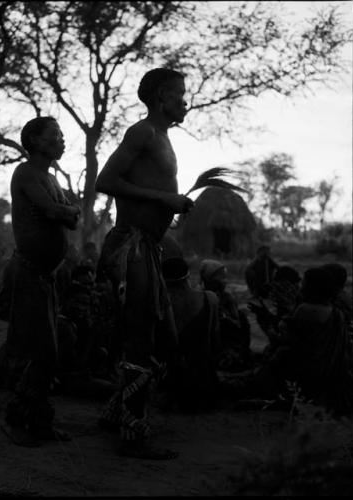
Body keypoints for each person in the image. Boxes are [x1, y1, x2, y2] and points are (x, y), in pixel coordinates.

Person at [95, 68, 194, 459]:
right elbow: (104, 180)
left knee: (160, 336)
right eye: (180, 95)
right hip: (131, 246)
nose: (185, 102)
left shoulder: (163, 137)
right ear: (160, 97)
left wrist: (173, 202)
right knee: (140, 338)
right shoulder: (143, 133)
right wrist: (163, 199)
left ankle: (117, 410)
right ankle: (132, 435)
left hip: (148, 248)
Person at [0, 116, 81, 447]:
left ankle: (38, 421)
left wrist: (65, 211)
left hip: (43, 276)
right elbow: (55, 212)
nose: (61, 140)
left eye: (61, 135)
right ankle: (17, 420)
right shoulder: (26, 173)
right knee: (40, 351)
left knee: (49, 350)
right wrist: (65, 210)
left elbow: (67, 217)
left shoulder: (48, 177)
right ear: (35, 141)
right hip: (28, 273)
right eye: (55, 135)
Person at [238, 267, 353, 415]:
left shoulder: (306, 310)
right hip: (329, 379)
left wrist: (263, 320)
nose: (301, 287)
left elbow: (282, 341)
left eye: (304, 284)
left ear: (312, 288)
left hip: (306, 378)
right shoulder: (336, 313)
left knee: (279, 356)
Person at [161, 256, 220, 412]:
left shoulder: (162, 306)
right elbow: (215, 342)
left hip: (174, 386)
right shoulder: (210, 299)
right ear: (188, 275)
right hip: (206, 385)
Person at [200, 259, 251, 372]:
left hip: (227, 342)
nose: (224, 281)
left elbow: (237, 324)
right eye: (220, 277)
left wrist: (224, 317)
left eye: (224, 277)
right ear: (209, 279)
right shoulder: (200, 297)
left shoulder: (227, 298)